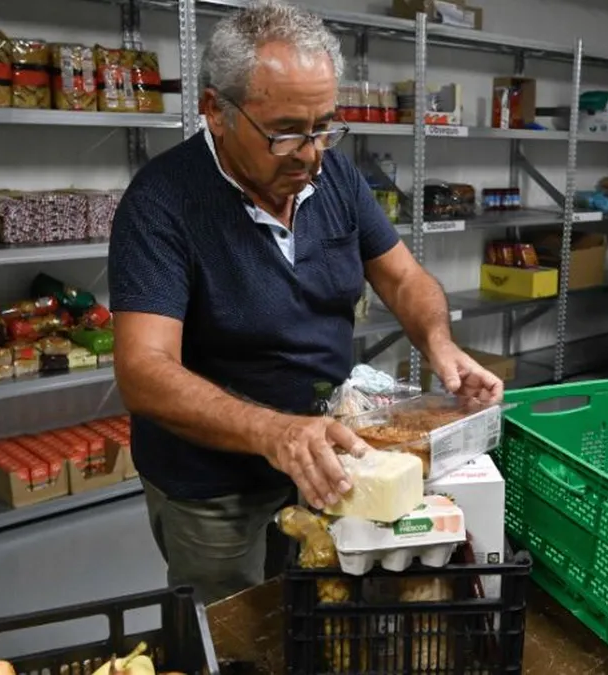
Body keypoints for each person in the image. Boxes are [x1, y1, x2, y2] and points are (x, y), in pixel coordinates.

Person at [107, 0, 504, 605]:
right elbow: (143, 370)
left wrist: (439, 344)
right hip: (214, 486)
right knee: (234, 624)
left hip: (328, 459)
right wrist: (275, 432)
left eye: (324, 126)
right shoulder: (162, 203)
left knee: (318, 604)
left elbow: (404, 278)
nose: (311, 151)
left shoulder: (335, 177)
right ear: (215, 110)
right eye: (286, 131)